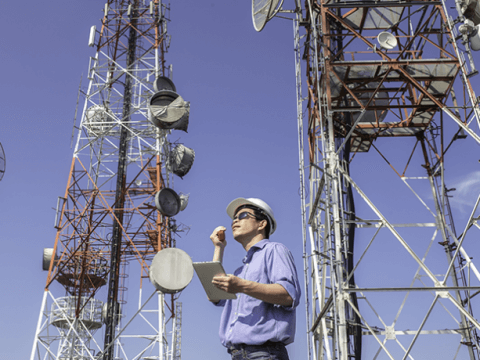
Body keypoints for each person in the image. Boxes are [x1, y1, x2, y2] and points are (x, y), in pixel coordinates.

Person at [209, 197, 301, 360]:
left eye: (243, 215)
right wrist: (218, 248)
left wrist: (242, 286)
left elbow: (288, 295)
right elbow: (214, 295)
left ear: (262, 223)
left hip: (264, 354)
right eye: (234, 218)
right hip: (237, 355)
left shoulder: (274, 250)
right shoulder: (240, 271)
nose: (235, 221)